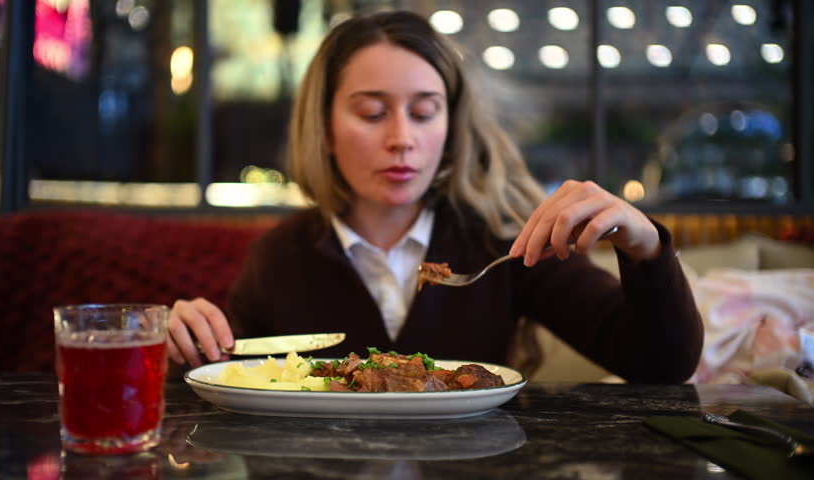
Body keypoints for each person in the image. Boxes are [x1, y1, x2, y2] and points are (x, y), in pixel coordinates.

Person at [167, 10, 703, 384]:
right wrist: (188, 338)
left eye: (424, 112)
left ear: (450, 125)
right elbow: (228, 370)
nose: (402, 138)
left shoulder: (500, 244)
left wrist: (645, 247)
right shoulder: (280, 256)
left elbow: (660, 364)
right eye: (372, 113)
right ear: (325, 128)